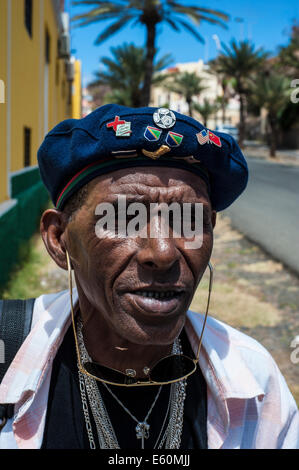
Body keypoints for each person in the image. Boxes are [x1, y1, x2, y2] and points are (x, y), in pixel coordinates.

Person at [0, 105, 298, 449]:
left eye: (188, 221)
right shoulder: (7, 356)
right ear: (59, 238)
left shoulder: (255, 385)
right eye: (124, 218)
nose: (162, 252)